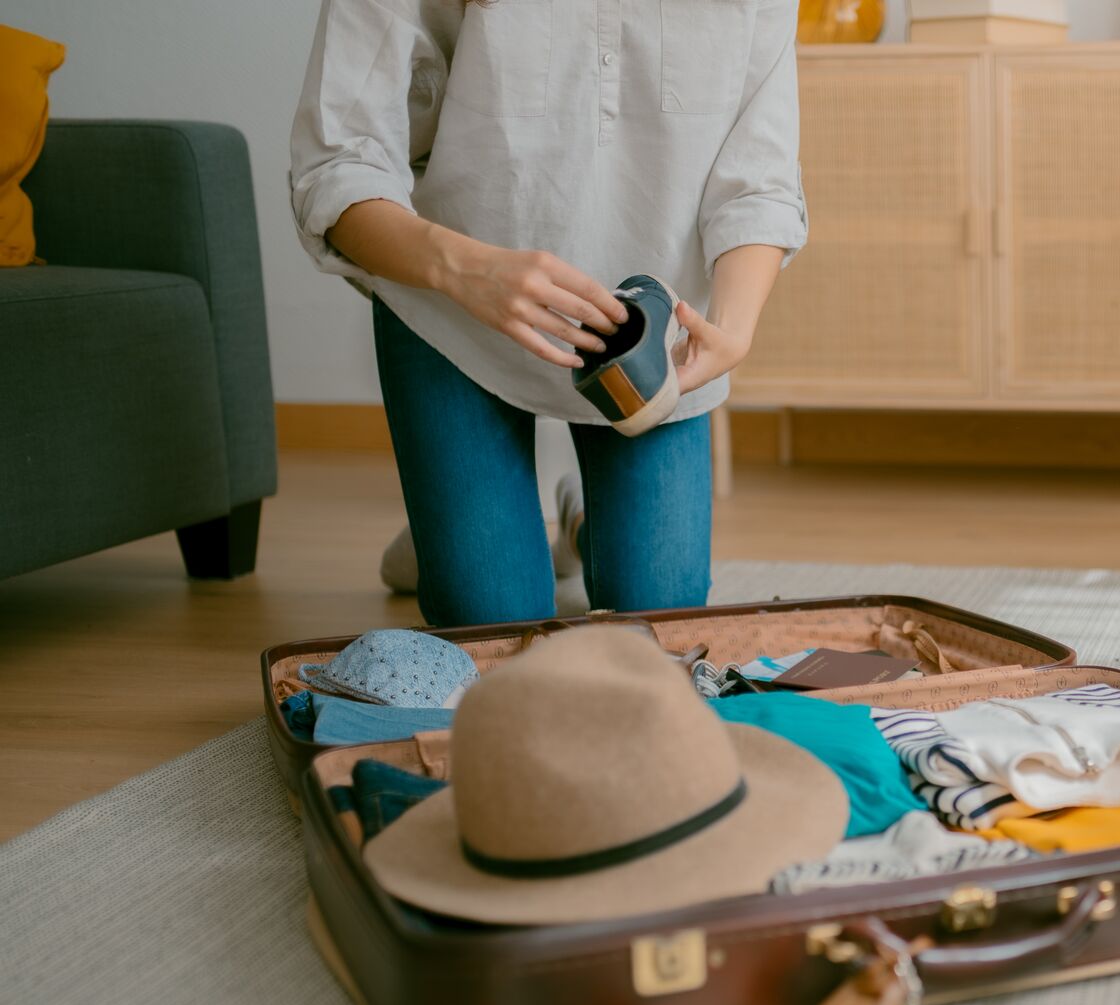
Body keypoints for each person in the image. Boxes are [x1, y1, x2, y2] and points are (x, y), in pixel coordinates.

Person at [289, 0, 806, 626]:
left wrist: (733, 326)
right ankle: (456, 537)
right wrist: (468, 271)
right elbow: (336, 167)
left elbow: (760, 177)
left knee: (657, 626)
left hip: (645, 341)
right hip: (457, 310)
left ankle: (576, 528)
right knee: (493, 625)